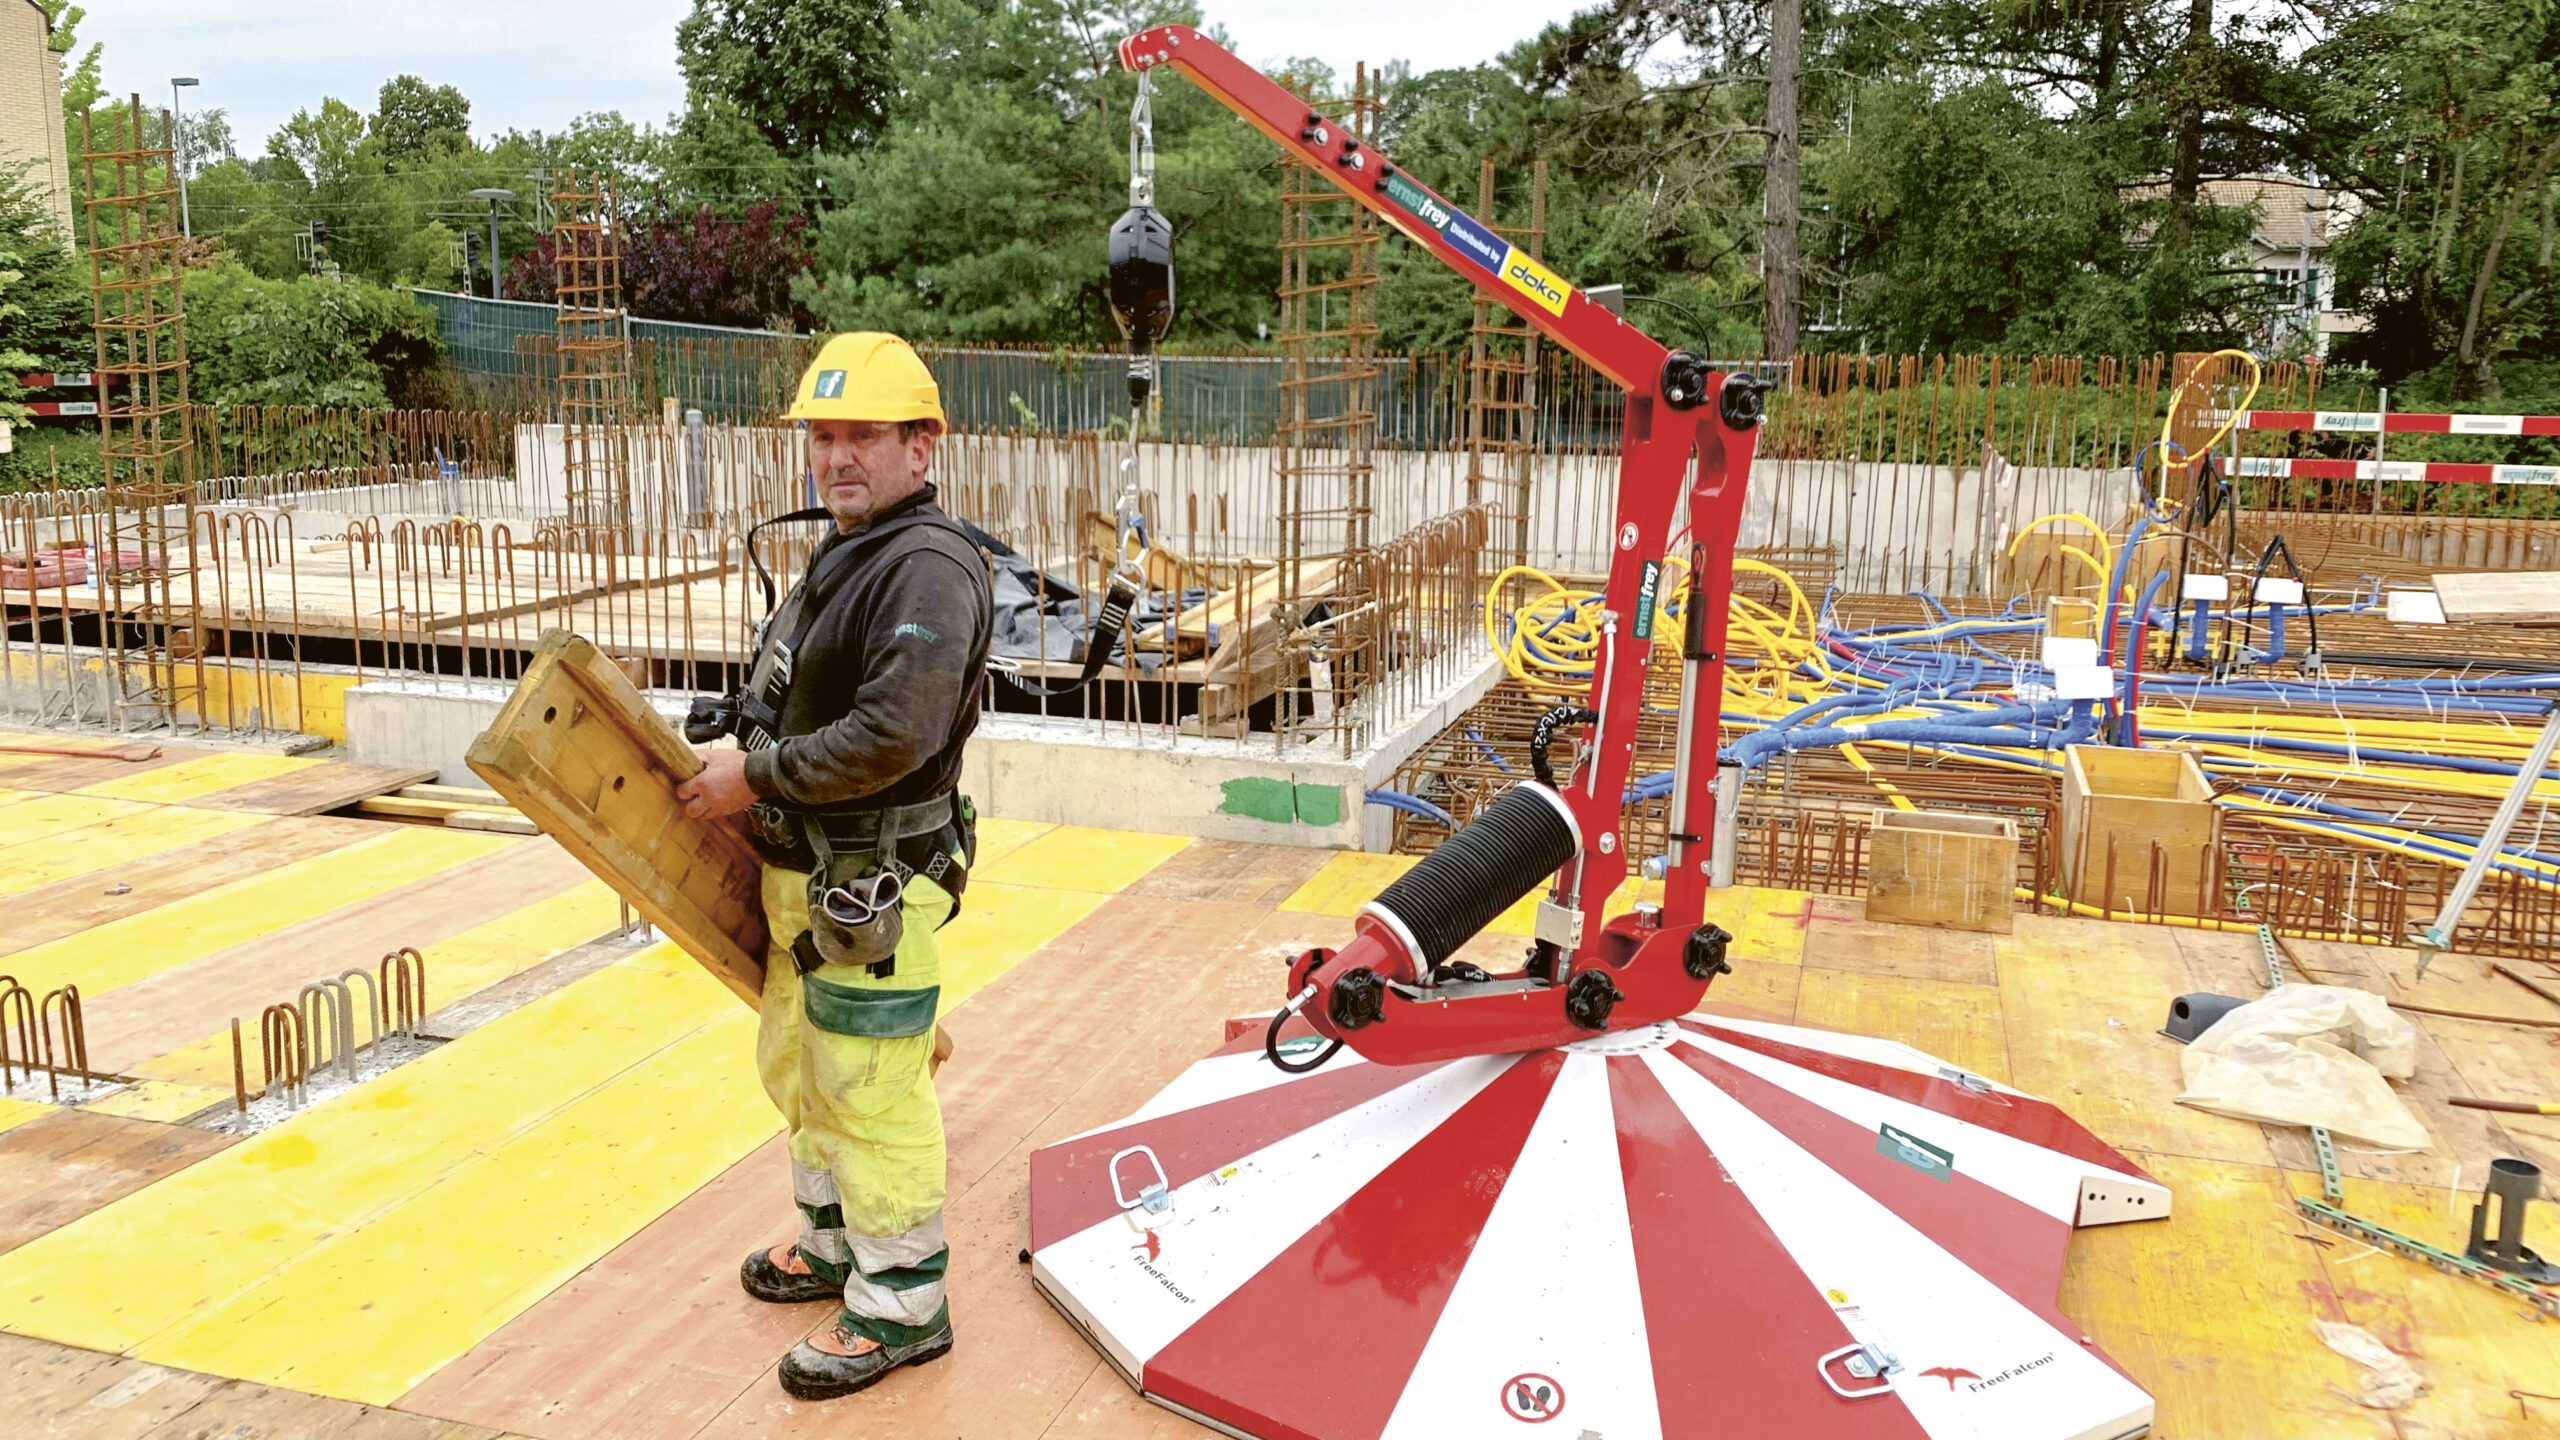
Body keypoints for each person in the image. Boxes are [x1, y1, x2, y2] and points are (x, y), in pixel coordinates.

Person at [676, 331, 990, 1401]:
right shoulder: (853, 545)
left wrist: (753, 776)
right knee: (801, 1069)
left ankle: (903, 1302)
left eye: (863, 434)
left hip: (874, 883)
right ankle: (831, 1241)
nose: (837, 456)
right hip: (809, 874)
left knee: (870, 1091)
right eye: (823, 435)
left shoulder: (928, 567)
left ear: (921, 443)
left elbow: (895, 734)